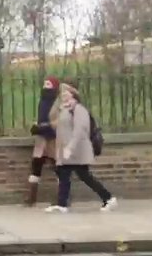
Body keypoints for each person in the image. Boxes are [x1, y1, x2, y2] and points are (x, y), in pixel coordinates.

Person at [45, 84, 117, 213]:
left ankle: (108, 198)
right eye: (62, 94)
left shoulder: (79, 109)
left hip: (76, 151)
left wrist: (70, 148)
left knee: (85, 176)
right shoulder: (65, 109)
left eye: (66, 93)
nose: (63, 96)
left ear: (73, 95)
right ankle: (62, 205)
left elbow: (79, 130)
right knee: (64, 175)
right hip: (66, 151)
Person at [24, 76, 60, 206]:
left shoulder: (57, 102)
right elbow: (41, 117)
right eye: (45, 84)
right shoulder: (42, 101)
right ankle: (31, 197)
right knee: (36, 165)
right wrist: (37, 125)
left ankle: (62, 197)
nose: (45, 86)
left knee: (58, 167)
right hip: (41, 137)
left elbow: (59, 120)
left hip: (54, 138)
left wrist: (46, 126)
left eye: (48, 84)